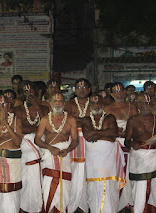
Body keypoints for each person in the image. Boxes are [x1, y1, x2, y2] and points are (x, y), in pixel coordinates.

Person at [35, 93, 78, 212]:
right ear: (50, 103)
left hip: (64, 156)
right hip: (50, 156)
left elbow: (75, 140)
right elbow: (37, 139)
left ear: (64, 103)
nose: (57, 103)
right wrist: (49, 148)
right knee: (49, 185)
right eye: (55, 101)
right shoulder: (44, 120)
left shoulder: (71, 120)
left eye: (60, 101)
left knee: (64, 188)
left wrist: (68, 150)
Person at [82, 94, 125, 213]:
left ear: (103, 104)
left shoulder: (110, 117)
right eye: (93, 103)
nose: (96, 106)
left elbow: (114, 133)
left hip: (108, 161)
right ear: (89, 105)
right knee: (93, 189)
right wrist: (105, 133)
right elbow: (88, 136)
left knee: (109, 187)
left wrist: (96, 133)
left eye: (99, 103)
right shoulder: (86, 119)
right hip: (93, 162)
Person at [125, 93, 156, 212]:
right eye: (145, 103)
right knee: (140, 186)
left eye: (149, 103)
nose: (148, 105)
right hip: (140, 157)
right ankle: (139, 209)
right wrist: (133, 144)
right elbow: (127, 141)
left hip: (155, 156)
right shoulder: (133, 120)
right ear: (138, 104)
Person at [14, 81, 49, 213]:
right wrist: (38, 128)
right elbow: (19, 128)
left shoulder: (44, 109)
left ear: (37, 92)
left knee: (39, 177)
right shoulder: (17, 110)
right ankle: (24, 207)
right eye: (26, 91)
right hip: (25, 148)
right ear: (22, 94)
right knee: (26, 179)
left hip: (41, 146)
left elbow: (49, 126)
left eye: (31, 91)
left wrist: (38, 107)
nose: (29, 94)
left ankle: (39, 207)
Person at [104, 82, 138, 211]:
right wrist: (116, 132)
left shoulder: (132, 107)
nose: (119, 94)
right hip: (113, 145)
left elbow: (136, 125)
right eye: (116, 91)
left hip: (128, 144)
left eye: (121, 90)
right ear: (111, 94)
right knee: (115, 173)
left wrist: (126, 133)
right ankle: (115, 203)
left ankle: (128, 202)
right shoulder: (107, 108)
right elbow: (104, 128)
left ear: (124, 92)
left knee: (129, 172)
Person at [0, 95, 23, 212]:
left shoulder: (17, 120)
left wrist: (7, 125)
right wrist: (1, 125)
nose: (2, 107)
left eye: (4, 104)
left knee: (12, 195)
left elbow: (18, 141)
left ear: (8, 106)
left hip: (13, 163)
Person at [64, 78, 91, 213]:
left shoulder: (95, 103)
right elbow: (67, 121)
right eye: (79, 87)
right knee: (74, 170)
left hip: (90, 141)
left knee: (87, 170)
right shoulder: (69, 104)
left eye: (85, 87)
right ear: (75, 90)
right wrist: (86, 121)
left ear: (90, 89)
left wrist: (78, 121)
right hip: (73, 139)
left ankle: (85, 204)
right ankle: (73, 204)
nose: (82, 89)